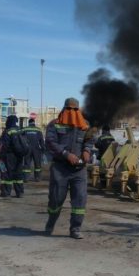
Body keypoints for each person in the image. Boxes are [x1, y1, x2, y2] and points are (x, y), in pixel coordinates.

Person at [44, 97, 92, 239]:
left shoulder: (85, 124)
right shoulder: (54, 124)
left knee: (80, 199)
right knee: (56, 199)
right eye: (69, 109)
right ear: (64, 108)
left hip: (79, 170)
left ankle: (75, 228)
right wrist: (66, 154)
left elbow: (89, 140)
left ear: (79, 109)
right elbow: (50, 142)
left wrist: (87, 150)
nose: (72, 111)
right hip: (60, 168)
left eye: (75, 109)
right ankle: (51, 222)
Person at [0, 115, 25, 198]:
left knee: (7, 174)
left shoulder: (8, 131)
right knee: (18, 174)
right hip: (19, 155)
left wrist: (1, 156)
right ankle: (19, 192)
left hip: (9, 156)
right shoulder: (19, 130)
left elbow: (4, 145)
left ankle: (6, 192)